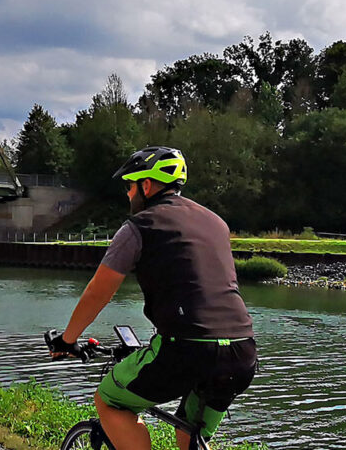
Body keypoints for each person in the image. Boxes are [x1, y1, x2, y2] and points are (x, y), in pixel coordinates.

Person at [48, 146, 257, 450]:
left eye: (130, 186)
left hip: (184, 350)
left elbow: (99, 292)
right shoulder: (216, 223)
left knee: (109, 399)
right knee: (189, 434)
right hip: (241, 352)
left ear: (146, 186)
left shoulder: (139, 226)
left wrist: (67, 341)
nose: (128, 194)